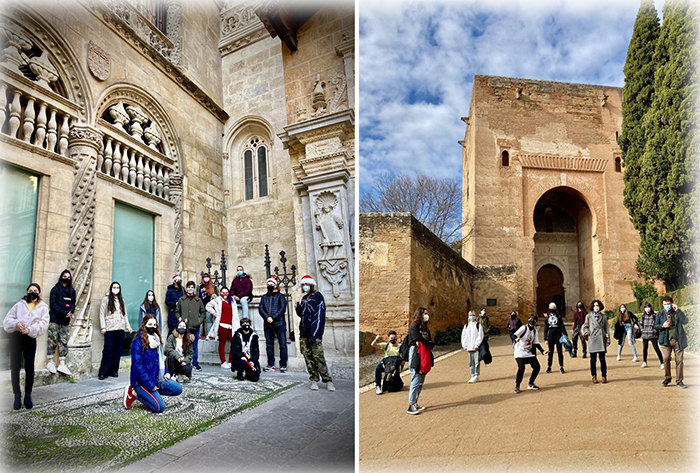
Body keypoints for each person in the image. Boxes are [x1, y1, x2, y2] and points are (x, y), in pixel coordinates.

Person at [122, 314, 183, 412]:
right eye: (150, 324)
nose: (153, 327)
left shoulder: (156, 340)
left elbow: (159, 360)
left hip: (156, 378)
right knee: (160, 407)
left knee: (178, 388)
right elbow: (137, 367)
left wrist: (166, 372)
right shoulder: (137, 342)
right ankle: (135, 393)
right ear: (144, 325)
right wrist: (150, 385)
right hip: (141, 382)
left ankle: (150, 395)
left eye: (155, 325)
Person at [3, 283, 50, 410]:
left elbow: (44, 324)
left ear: (39, 293)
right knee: (15, 366)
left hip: (30, 338)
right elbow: (7, 320)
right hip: (16, 337)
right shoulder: (18, 305)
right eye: (30, 290)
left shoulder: (43, 308)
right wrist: (16, 324)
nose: (32, 292)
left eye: (35, 290)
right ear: (27, 291)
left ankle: (28, 395)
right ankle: (16, 395)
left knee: (30, 367)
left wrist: (30, 330)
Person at [295, 274, 334, 391]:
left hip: (314, 333)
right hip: (304, 333)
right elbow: (302, 314)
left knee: (318, 357)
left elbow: (319, 315)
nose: (305, 286)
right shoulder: (305, 298)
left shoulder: (318, 296)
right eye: (303, 285)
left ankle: (328, 380)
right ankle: (314, 379)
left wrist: (315, 333)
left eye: (307, 284)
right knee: (308, 357)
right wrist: (297, 307)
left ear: (311, 285)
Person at [98, 282, 133, 380]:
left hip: (120, 328)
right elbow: (102, 314)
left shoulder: (121, 300)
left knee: (118, 350)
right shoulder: (106, 299)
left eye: (117, 287)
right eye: (114, 287)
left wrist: (128, 326)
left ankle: (114, 370)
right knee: (108, 350)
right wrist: (103, 327)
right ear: (111, 288)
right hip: (110, 327)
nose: (116, 289)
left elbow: (124, 314)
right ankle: (103, 372)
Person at [46, 269, 76, 376]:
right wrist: (63, 312)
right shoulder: (55, 289)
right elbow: (53, 304)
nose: (66, 278)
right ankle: (50, 362)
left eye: (68, 277)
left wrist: (70, 312)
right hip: (55, 319)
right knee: (52, 339)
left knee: (63, 341)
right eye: (65, 276)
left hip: (65, 320)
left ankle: (62, 364)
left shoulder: (72, 291)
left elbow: (73, 303)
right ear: (61, 276)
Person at [405, 307, 434, 414]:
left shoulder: (424, 327)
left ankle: (415, 402)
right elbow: (418, 339)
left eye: (427, 313)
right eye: (425, 313)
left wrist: (430, 343)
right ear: (420, 314)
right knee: (416, 377)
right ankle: (411, 404)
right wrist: (429, 343)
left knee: (421, 380)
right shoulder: (414, 326)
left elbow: (429, 339)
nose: (427, 315)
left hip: (424, 353)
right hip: (416, 353)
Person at [654, 296, 688, 388]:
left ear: (672, 303)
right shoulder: (660, 314)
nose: (666, 306)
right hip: (665, 340)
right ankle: (667, 377)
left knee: (679, 360)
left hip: (678, 340)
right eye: (665, 304)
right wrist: (662, 326)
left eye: (668, 304)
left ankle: (679, 380)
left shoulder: (677, 312)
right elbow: (655, 326)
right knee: (666, 358)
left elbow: (685, 321)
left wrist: (678, 311)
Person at [205, 286, 240, 368]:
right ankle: (223, 361)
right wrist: (216, 314)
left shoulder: (232, 301)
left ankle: (231, 361)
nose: (225, 294)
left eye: (226, 292)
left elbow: (235, 313)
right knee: (222, 343)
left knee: (234, 343)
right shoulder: (217, 300)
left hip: (231, 325)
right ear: (220, 293)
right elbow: (208, 306)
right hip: (222, 324)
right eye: (223, 292)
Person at [259, 277, 288, 373]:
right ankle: (270, 364)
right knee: (269, 345)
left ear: (275, 285)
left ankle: (283, 364)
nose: (270, 286)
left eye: (272, 284)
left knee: (283, 345)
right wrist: (267, 317)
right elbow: (261, 309)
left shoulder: (280, 296)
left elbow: (282, 308)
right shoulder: (264, 297)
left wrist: (273, 318)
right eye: (268, 284)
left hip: (279, 323)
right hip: (268, 324)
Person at [512, 314, 546, 394]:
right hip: (519, 351)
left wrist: (543, 351)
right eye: (531, 319)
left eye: (534, 320)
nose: (533, 321)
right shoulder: (524, 328)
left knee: (537, 367)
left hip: (528, 352)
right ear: (528, 319)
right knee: (521, 368)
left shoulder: (535, 331)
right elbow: (514, 335)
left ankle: (531, 383)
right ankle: (517, 386)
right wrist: (516, 339)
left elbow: (536, 343)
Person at [176, 280, 205, 371]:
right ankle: (184, 362)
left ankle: (195, 363)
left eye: (192, 287)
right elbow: (177, 311)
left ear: (194, 289)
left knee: (195, 345)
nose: (190, 289)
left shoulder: (198, 300)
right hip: (184, 327)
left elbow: (203, 312)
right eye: (189, 287)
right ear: (186, 288)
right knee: (184, 345)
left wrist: (199, 321)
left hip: (195, 326)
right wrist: (179, 319)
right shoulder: (181, 300)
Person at [583, 299, 610, 384]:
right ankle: (594, 376)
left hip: (601, 339)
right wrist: (589, 333)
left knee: (602, 359)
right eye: (594, 305)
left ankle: (604, 376)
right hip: (593, 339)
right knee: (593, 359)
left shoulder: (604, 316)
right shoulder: (589, 316)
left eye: (597, 305)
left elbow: (607, 329)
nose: (596, 307)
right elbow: (585, 326)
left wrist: (608, 340)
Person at [230, 317, 261, 381]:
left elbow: (256, 352)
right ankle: (240, 372)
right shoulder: (237, 335)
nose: (246, 325)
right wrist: (241, 356)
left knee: (255, 378)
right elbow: (233, 350)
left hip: (250, 359)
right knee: (242, 363)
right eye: (244, 323)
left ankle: (248, 372)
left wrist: (253, 361)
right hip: (240, 359)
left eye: (247, 323)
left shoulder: (254, 336)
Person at [371, 330, 401, 394]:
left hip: (394, 365)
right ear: (389, 338)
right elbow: (373, 344)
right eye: (391, 338)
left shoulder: (400, 346)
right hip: (387, 364)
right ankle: (378, 386)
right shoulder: (386, 345)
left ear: (397, 338)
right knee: (378, 368)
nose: (393, 339)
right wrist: (376, 339)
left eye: (394, 338)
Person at [461, 311, 484, 383]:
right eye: (470, 315)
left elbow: (480, 335)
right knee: (471, 362)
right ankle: (472, 374)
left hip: (475, 347)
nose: (472, 316)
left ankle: (476, 375)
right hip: (469, 347)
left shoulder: (478, 325)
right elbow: (463, 336)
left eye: (473, 315)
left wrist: (477, 345)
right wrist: (464, 345)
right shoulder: (466, 326)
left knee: (476, 361)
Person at [544, 302, 567, 374]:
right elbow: (545, 328)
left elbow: (562, 326)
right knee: (550, 352)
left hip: (558, 334)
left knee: (560, 351)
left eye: (553, 309)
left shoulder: (558, 317)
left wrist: (565, 335)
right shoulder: (547, 318)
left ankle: (561, 366)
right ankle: (549, 366)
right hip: (551, 334)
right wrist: (545, 338)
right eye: (551, 309)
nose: (552, 310)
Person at [640, 302, 664, 369]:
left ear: (651, 308)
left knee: (656, 348)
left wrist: (654, 331)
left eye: (648, 307)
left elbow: (657, 324)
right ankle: (644, 362)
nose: (647, 309)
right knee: (645, 348)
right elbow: (641, 325)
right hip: (645, 335)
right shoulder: (643, 317)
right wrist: (643, 330)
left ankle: (662, 362)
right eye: (646, 307)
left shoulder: (654, 316)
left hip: (653, 335)